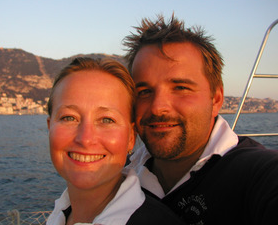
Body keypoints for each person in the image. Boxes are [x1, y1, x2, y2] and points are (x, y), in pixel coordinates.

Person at [123, 14, 278, 225]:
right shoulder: (120, 175)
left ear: (216, 99)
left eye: (180, 88)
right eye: (144, 91)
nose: (158, 106)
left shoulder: (260, 176)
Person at [46, 57, 184, 225]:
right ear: (49, 127)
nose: (86, 139)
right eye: (69, 117)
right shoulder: (59, 215)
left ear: (131, 138)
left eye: (106, 120)